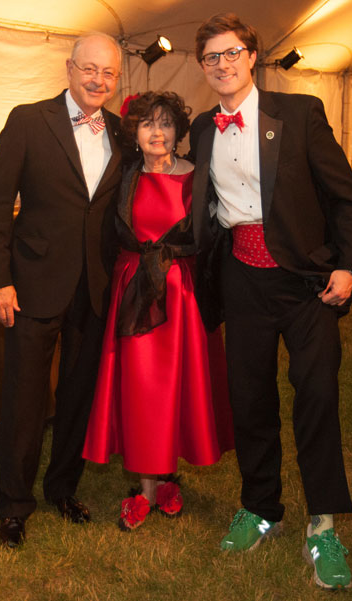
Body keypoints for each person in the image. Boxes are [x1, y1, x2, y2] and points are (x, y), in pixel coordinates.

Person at [189, 13, 352, 591]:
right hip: (242, 279)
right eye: (211, 57)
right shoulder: (201, 129)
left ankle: (323, 524)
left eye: (230, 53)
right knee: (250, 399)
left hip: (305, 281)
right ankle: (260, 506)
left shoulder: (299, 113)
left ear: (252, 54)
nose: (222, 65)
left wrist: (347, 263)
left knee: (316, 396)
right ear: (204, 66)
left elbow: (343, 196)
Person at [0, 33, 123, 548]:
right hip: (33, 284)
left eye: (107, 73)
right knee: (24, 399)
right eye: (89, 69)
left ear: (117, 77)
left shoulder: (123, 133)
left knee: (78, 398)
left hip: (96, 288)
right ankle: (14, 505)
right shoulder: (27, 120)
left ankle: (63, 488)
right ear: (69, 68)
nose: (97, 80)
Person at [82, 91, 234, 531]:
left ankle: (168, 475)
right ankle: (145, 489)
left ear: (177, 130)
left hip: (181, 296)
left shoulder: (199, 176)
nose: (157, 132)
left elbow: (216, 234)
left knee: (177, 386)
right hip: (132, 294)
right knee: (140, 389)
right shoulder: (123, 176)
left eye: (165, 123)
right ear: (135, 132)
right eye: (147, 124)